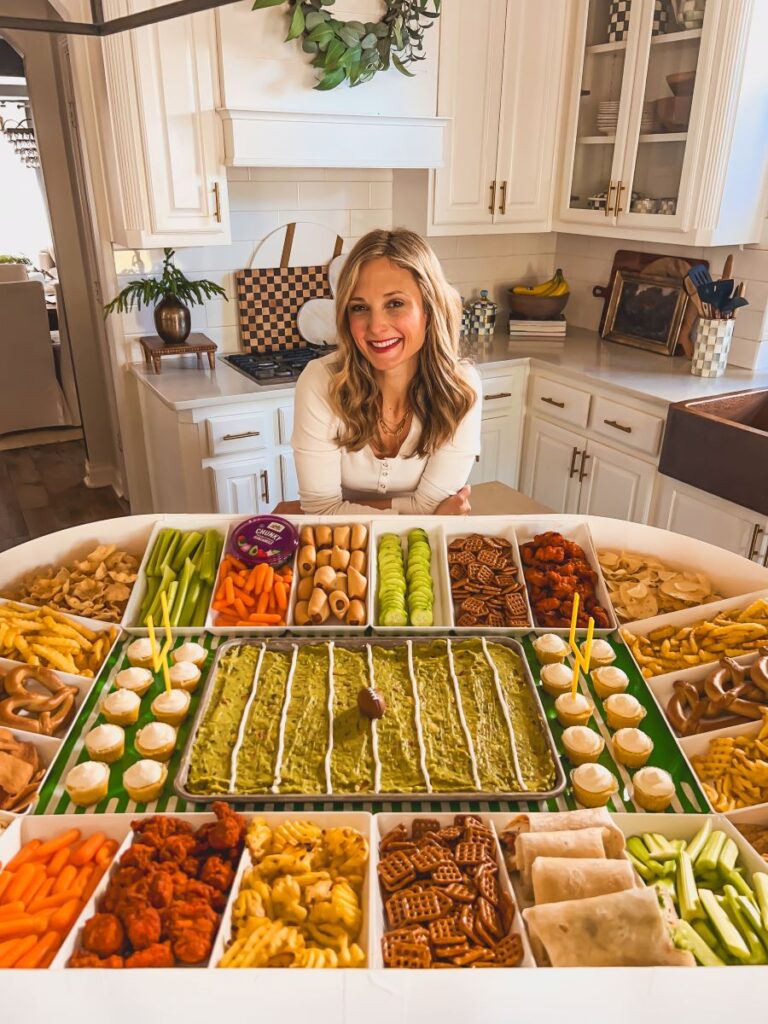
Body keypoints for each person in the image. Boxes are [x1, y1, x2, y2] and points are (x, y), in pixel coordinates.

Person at [291, 228, 481, 515]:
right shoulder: (320, 382)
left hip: (423, 549)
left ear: (428, 309)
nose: (376, 327)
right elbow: (320, 510)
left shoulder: (460, 389)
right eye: (359, 308)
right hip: (346, 552)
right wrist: (420, 510)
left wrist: (342, 509)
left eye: (395, 304)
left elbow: (327, 512)